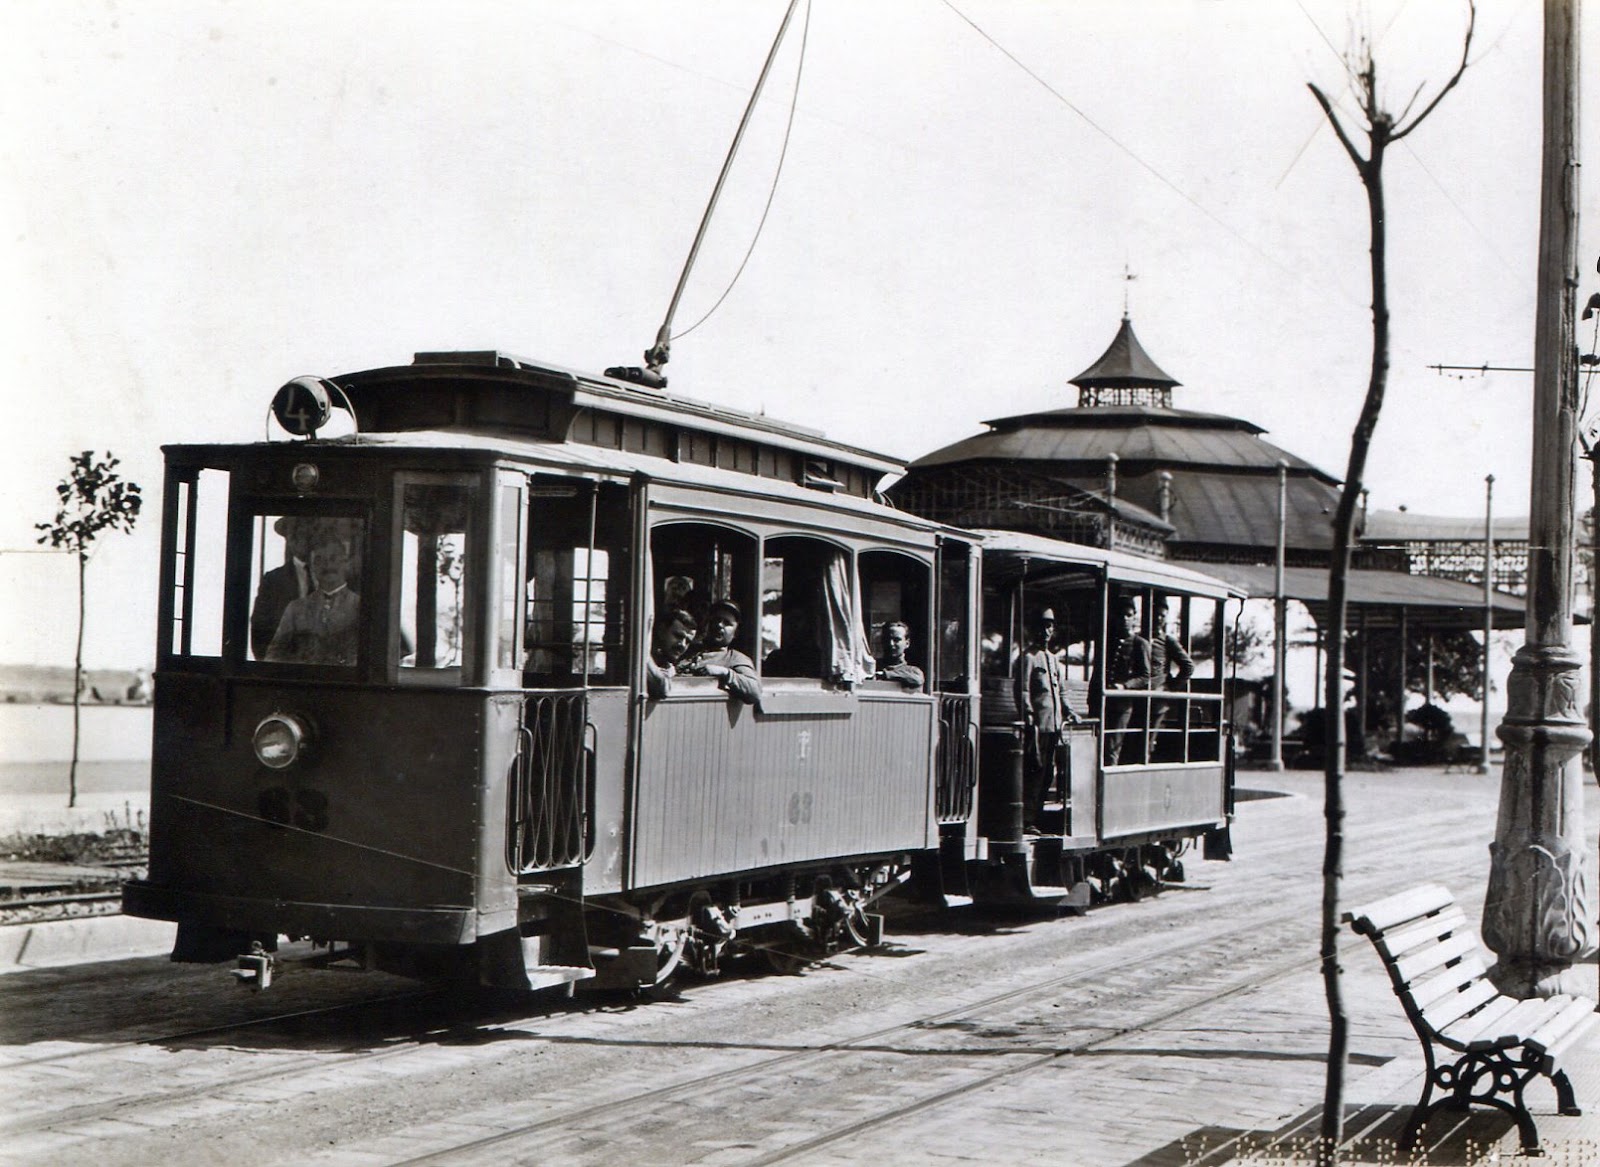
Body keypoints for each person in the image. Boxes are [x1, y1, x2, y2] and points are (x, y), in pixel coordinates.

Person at [1018, 608, 1077, 831]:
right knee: (1035, 770)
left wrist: (1070, 711)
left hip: (1054, 726)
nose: (1046, 631)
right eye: (1042, 626)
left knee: (1048, 772)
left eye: (1049, 626)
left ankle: (1037, 817)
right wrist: (1029, 717)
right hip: (1037, 726)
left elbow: (1061, 692)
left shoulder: (1053, 660)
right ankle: (1027, 820)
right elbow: (1023, 691)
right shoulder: (1028, 658)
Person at [266, 539, 361, 665]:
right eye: (319, 560)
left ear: (345, 563)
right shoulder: (296, 608)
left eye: (333, 558)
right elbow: (273, 655)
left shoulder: (360, 606)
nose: (327, 565)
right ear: (312, 567)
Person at [251, 517, 312, 659]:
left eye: (308, 534)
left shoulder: (330, 573)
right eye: (298, 535)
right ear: (290, 540)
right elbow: (260, 624)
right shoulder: (274, 579)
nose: (305, 540)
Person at [678, 599, 761, 705]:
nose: (719, 625)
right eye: (716, 620)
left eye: (727, 623)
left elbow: (755, 691)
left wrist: (725, 673)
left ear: (736, 633)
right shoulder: (687, 648)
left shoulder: (734, 658)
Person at [1105, 596, 1153, 765]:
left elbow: (1145, 676)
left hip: (1123, 705)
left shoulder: (1140, 644)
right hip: (1106, 702)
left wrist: (1125, 686)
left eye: (1128, 615)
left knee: (1113, 746)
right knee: (1101, 745)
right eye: (1121, 615)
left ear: (1134, 618)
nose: (1125, 619)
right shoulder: (1110, 642)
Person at [1147, 602, 1195, 752]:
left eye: (1162, 616)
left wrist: (1170, 686)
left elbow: (1188, 666)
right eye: (1156, 615)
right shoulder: (1139, 639)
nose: (1158, 619)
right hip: (1137, 698)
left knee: (1147, 741)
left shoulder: (1167, 641)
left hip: (1157, 701)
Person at [645, 607, 697, 699]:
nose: (683, 645)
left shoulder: (671, 663)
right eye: (678, 636)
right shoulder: (646, 657)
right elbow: (662, 687)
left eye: (688, 641)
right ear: (661, 631)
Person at [875, 621, 924, 691]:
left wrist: (885, 675)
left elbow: (917, 679)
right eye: (887, 639)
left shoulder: (912, 671)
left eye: (896, 640)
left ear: (907, 643)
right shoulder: (873, 666)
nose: (891, 644)